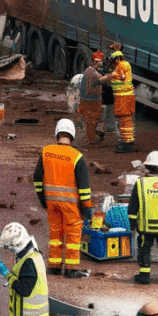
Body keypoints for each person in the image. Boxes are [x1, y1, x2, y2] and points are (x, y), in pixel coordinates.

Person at [33, 118, 92, 278]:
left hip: (51, 203)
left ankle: (54, 265)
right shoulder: (76, 156)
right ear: (72, 135)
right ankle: (71, 268)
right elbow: (84, 188)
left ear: (57, 133)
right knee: (72, 234)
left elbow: (37, 178)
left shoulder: (46, 152)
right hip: (71, 205)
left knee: (55, 234)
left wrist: (43, 199)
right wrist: (87, 207)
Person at [128, 150, 158, 285]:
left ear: (148, 166)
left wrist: (132, 225)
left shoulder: (141, 183)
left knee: (144, 250)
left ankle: (144, 277)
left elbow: (133, 207)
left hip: (146, 227)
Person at [97, 42, 136, 153]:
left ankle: (127, 143)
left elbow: (111, 76)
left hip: (124, 98)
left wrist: (99, 79)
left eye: (114, 62)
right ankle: (126, 141)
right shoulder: (123, 65)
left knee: (125, 122)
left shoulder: (122, 66)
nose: (113, 64)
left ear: (118, 59)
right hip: (123, 97)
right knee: (124, 122)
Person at [76, 51, 104, 144]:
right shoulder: (93, 73)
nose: (101, 63)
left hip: (89, 100)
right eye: (100, 61)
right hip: (92, 101)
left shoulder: (89, 71)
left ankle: (92, 136)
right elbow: (90, 88)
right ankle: (91, 139)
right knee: (92, 120)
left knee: (91, 120)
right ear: (96, 61)